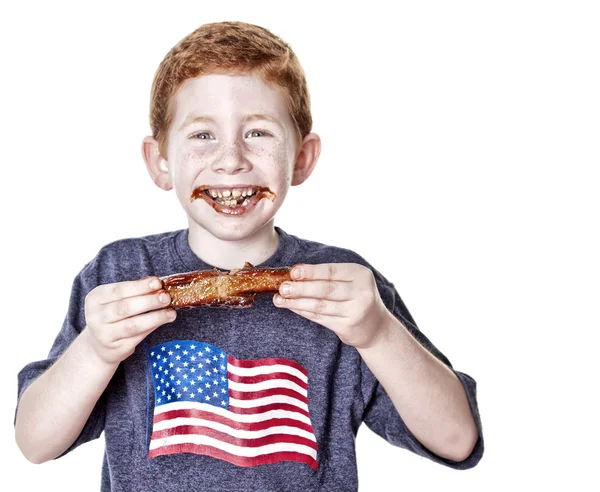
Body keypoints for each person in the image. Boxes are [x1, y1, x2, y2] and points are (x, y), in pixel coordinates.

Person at [14, 21, 484, 491]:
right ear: (159, 160)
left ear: (302, 157)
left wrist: (378, 333)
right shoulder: (118, 274)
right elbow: (35, 442)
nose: (232, 159)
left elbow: (457, 439)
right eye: (202, 135)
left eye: (258, 133)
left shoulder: (347, 287)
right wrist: (96, 350)